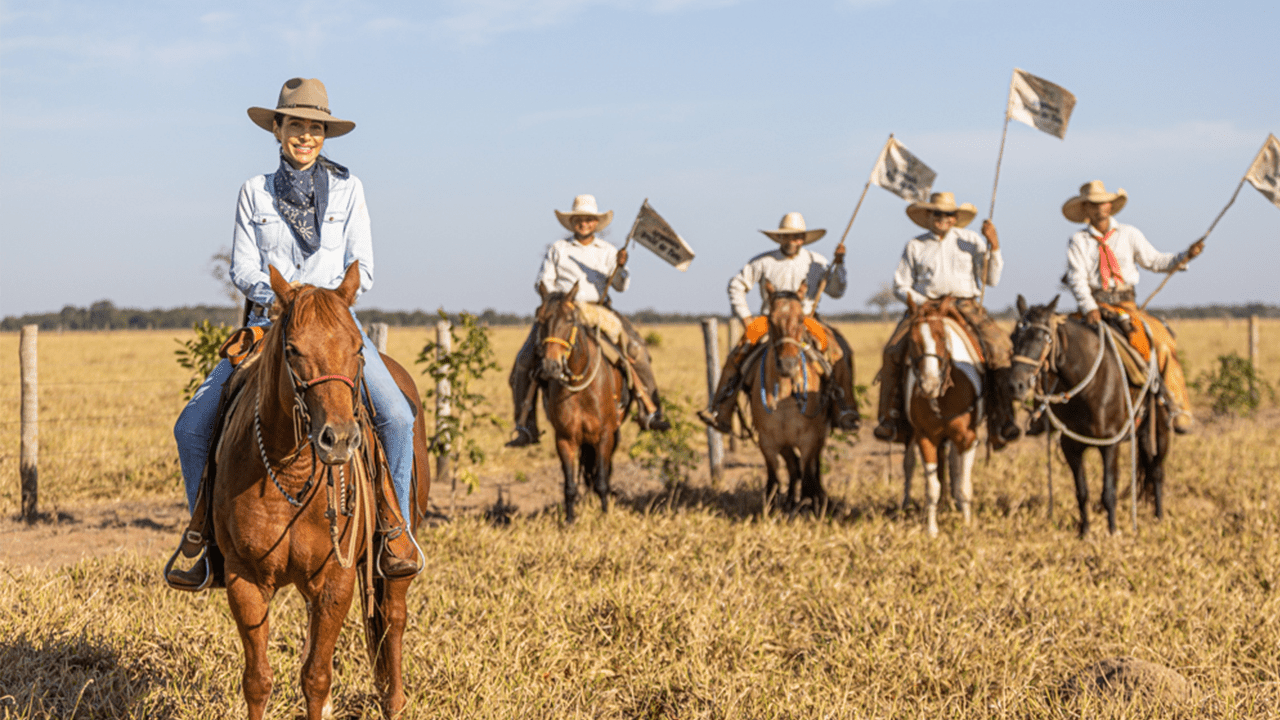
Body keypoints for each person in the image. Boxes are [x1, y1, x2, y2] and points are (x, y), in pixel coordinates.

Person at [168, 78, 420, 586]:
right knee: (191, 426)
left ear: (325, 135)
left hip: (332, 322)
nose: (305, 136)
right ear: (277, 129)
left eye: (315, 128)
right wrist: (287, 297)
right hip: (273, 324)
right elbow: (243, 268)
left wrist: (319, 299)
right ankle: (205, 537)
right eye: (296, 126)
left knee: (397, 414)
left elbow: (363, 268)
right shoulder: (253, 191)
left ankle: (395, 531)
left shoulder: (350, 189)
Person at [505, 194, 671, 447]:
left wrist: (621, 267)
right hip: (561, 310)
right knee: (525, 359)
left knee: (636, 348)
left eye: (589, 219)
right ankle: (525, 425)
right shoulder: (558, 249)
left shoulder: (608, 251)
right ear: (572, 223)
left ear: (596, 223)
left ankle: (650, 410)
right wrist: (553, 300)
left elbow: (621, 286)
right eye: (579, 219)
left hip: (597, 309)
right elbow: (544, 281)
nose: (584, 223)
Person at [871, 192, 1022, 447]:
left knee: (1001, 348)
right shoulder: (914, 245)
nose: (942, 218)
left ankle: (1002, 418)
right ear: (928, 216)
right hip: (924, 307)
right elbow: (900, 285)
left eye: (948, 214)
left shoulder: (972, 240)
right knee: (892, 351)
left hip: (964, 305)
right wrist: (922, 302)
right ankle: (890, 417)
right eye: (937, 214)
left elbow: (992, 279)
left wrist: (994, 247)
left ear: (955, 218)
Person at [1060, 180, 1203, 434]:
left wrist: (1185, 256)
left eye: (1102, 202)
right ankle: (1048, 410)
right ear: (1085, 209)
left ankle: (1178, 408)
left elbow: (1155, 261)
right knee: (1057, 346)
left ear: (1111, 205)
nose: (1098, 208)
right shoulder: (1078, 241)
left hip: (1127, 305)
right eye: (1092, 204)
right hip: (1094, 305)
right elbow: (1076, 278)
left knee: (1162, 342)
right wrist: (1089, 306)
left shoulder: (1129, 234)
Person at [697, 212, 861, 433]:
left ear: (803, 238)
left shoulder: (818, 262)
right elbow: (736, 285)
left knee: (837, 351)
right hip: (769, 320)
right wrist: (745, 317)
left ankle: (845, 408)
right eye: (787, 237)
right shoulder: (763, 262)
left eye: (797, 237)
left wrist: (839, 265)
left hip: (806, 320)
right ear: (779, 238)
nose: (792, 241)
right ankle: (720, 409)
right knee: (738, 353)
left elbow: (837, 291)